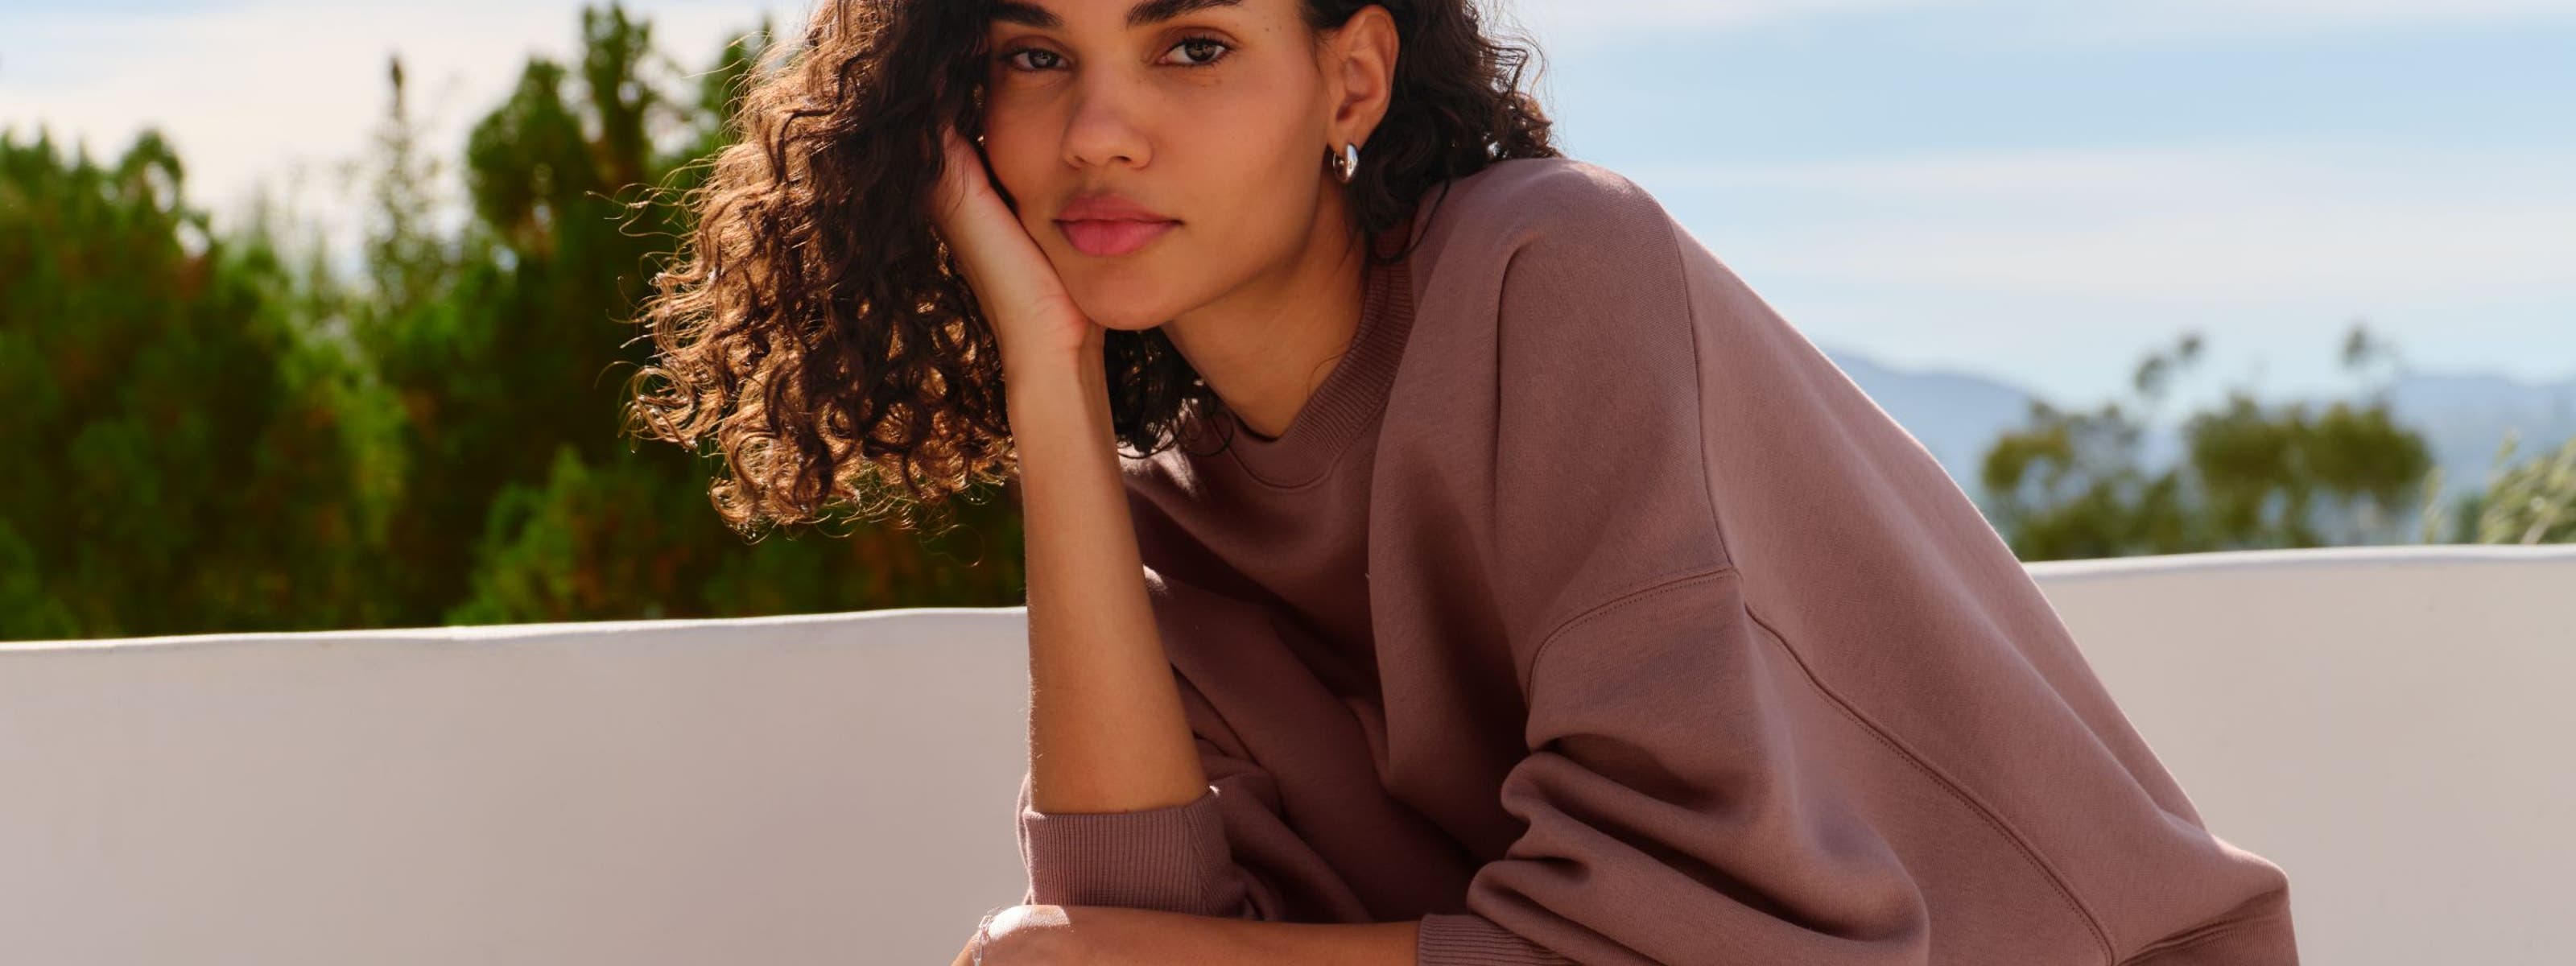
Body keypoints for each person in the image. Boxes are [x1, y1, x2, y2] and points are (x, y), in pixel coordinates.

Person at [625, 1, 2300, 963]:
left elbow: (1711, 943)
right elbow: (1140, 920)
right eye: (1035, 53)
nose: (1100, 132)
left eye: (1190, 45)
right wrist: (1050, 388)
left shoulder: (1549, 271)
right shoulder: (1178, 498)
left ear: (1346, 80)